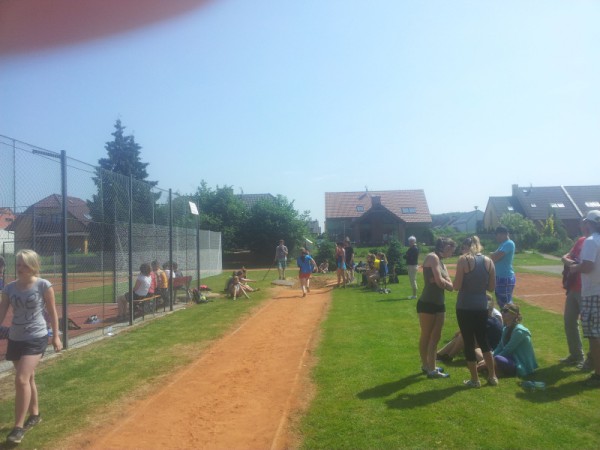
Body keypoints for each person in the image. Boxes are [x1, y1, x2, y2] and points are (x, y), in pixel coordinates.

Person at [0, 250, 62, 444]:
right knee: (28, 378)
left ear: (33, 266)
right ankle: (35, 414)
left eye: (25, 264)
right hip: (15, 338)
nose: (20, 268)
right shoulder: (9, 288)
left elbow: (52, 312)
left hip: (36, 336)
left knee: (21, 379)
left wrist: (56, 336)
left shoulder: (43, 285)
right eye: (18, 264)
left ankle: (18, 428)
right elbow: (2, 312)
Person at [453, 236, 498, 387]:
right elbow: (491, 287)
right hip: (481, 306)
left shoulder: (463, 260)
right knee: (483, 340)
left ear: (466, 247)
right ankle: (492, 376)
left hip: (465, 306)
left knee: (468, 342)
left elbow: (457, 286)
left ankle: (475, 380)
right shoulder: (489, 261)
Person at [568, 210, 600, 387]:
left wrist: (575, 268)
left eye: (585, 222)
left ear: (589, 223)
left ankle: (598, 374)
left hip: (593, 292)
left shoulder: (591, 241)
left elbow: (587, 267)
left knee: (594, 335)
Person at [417, 237, 456, 379]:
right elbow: (441, 283)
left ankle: (430, 365)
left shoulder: (442, 263)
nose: (452, 253)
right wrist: (441, 281)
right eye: (451, 250)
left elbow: (451, 287)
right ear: (446, 247)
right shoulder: (432, 257)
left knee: (436, 336)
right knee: (426, 335)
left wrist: (440, 280)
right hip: (427, 303)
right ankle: (428, 367)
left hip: (440, 303)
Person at [559, 220, 589, 367]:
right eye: (581, 224)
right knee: (569, 321)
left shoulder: (594, 242)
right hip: (574, 288)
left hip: (588, 289)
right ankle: (576, 355)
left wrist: (571, 262)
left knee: (589, 326)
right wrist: (569, 261)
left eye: (583, 224)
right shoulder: (581, 240)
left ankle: (592, 360)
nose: (581, 226)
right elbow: (567, 256)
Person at [491, 303, 538, 378]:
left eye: (506, 311)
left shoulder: (519, 331)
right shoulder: (506, 328)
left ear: (514, 315)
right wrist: (490, 357)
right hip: (511, 357)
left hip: (520, 363)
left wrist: (491, 360)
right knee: (484, 353)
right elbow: (500, 346)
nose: (502, 312)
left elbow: (507, 350)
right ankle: (492, 368)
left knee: (497, 359)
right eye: (502, 310)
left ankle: (491, 368)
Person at [490, 225, 516, 309]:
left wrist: (493, 255)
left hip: (505, 278)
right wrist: (493, 255)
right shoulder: (503, 244)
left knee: (506, 305)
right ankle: (508, 317)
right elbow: (493, 257)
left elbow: (495, 258)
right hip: (501, 277)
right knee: (502, 303)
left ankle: (513, 317)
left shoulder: (508, 243)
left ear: (503, 234)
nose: (496, 238)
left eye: (497, 235)